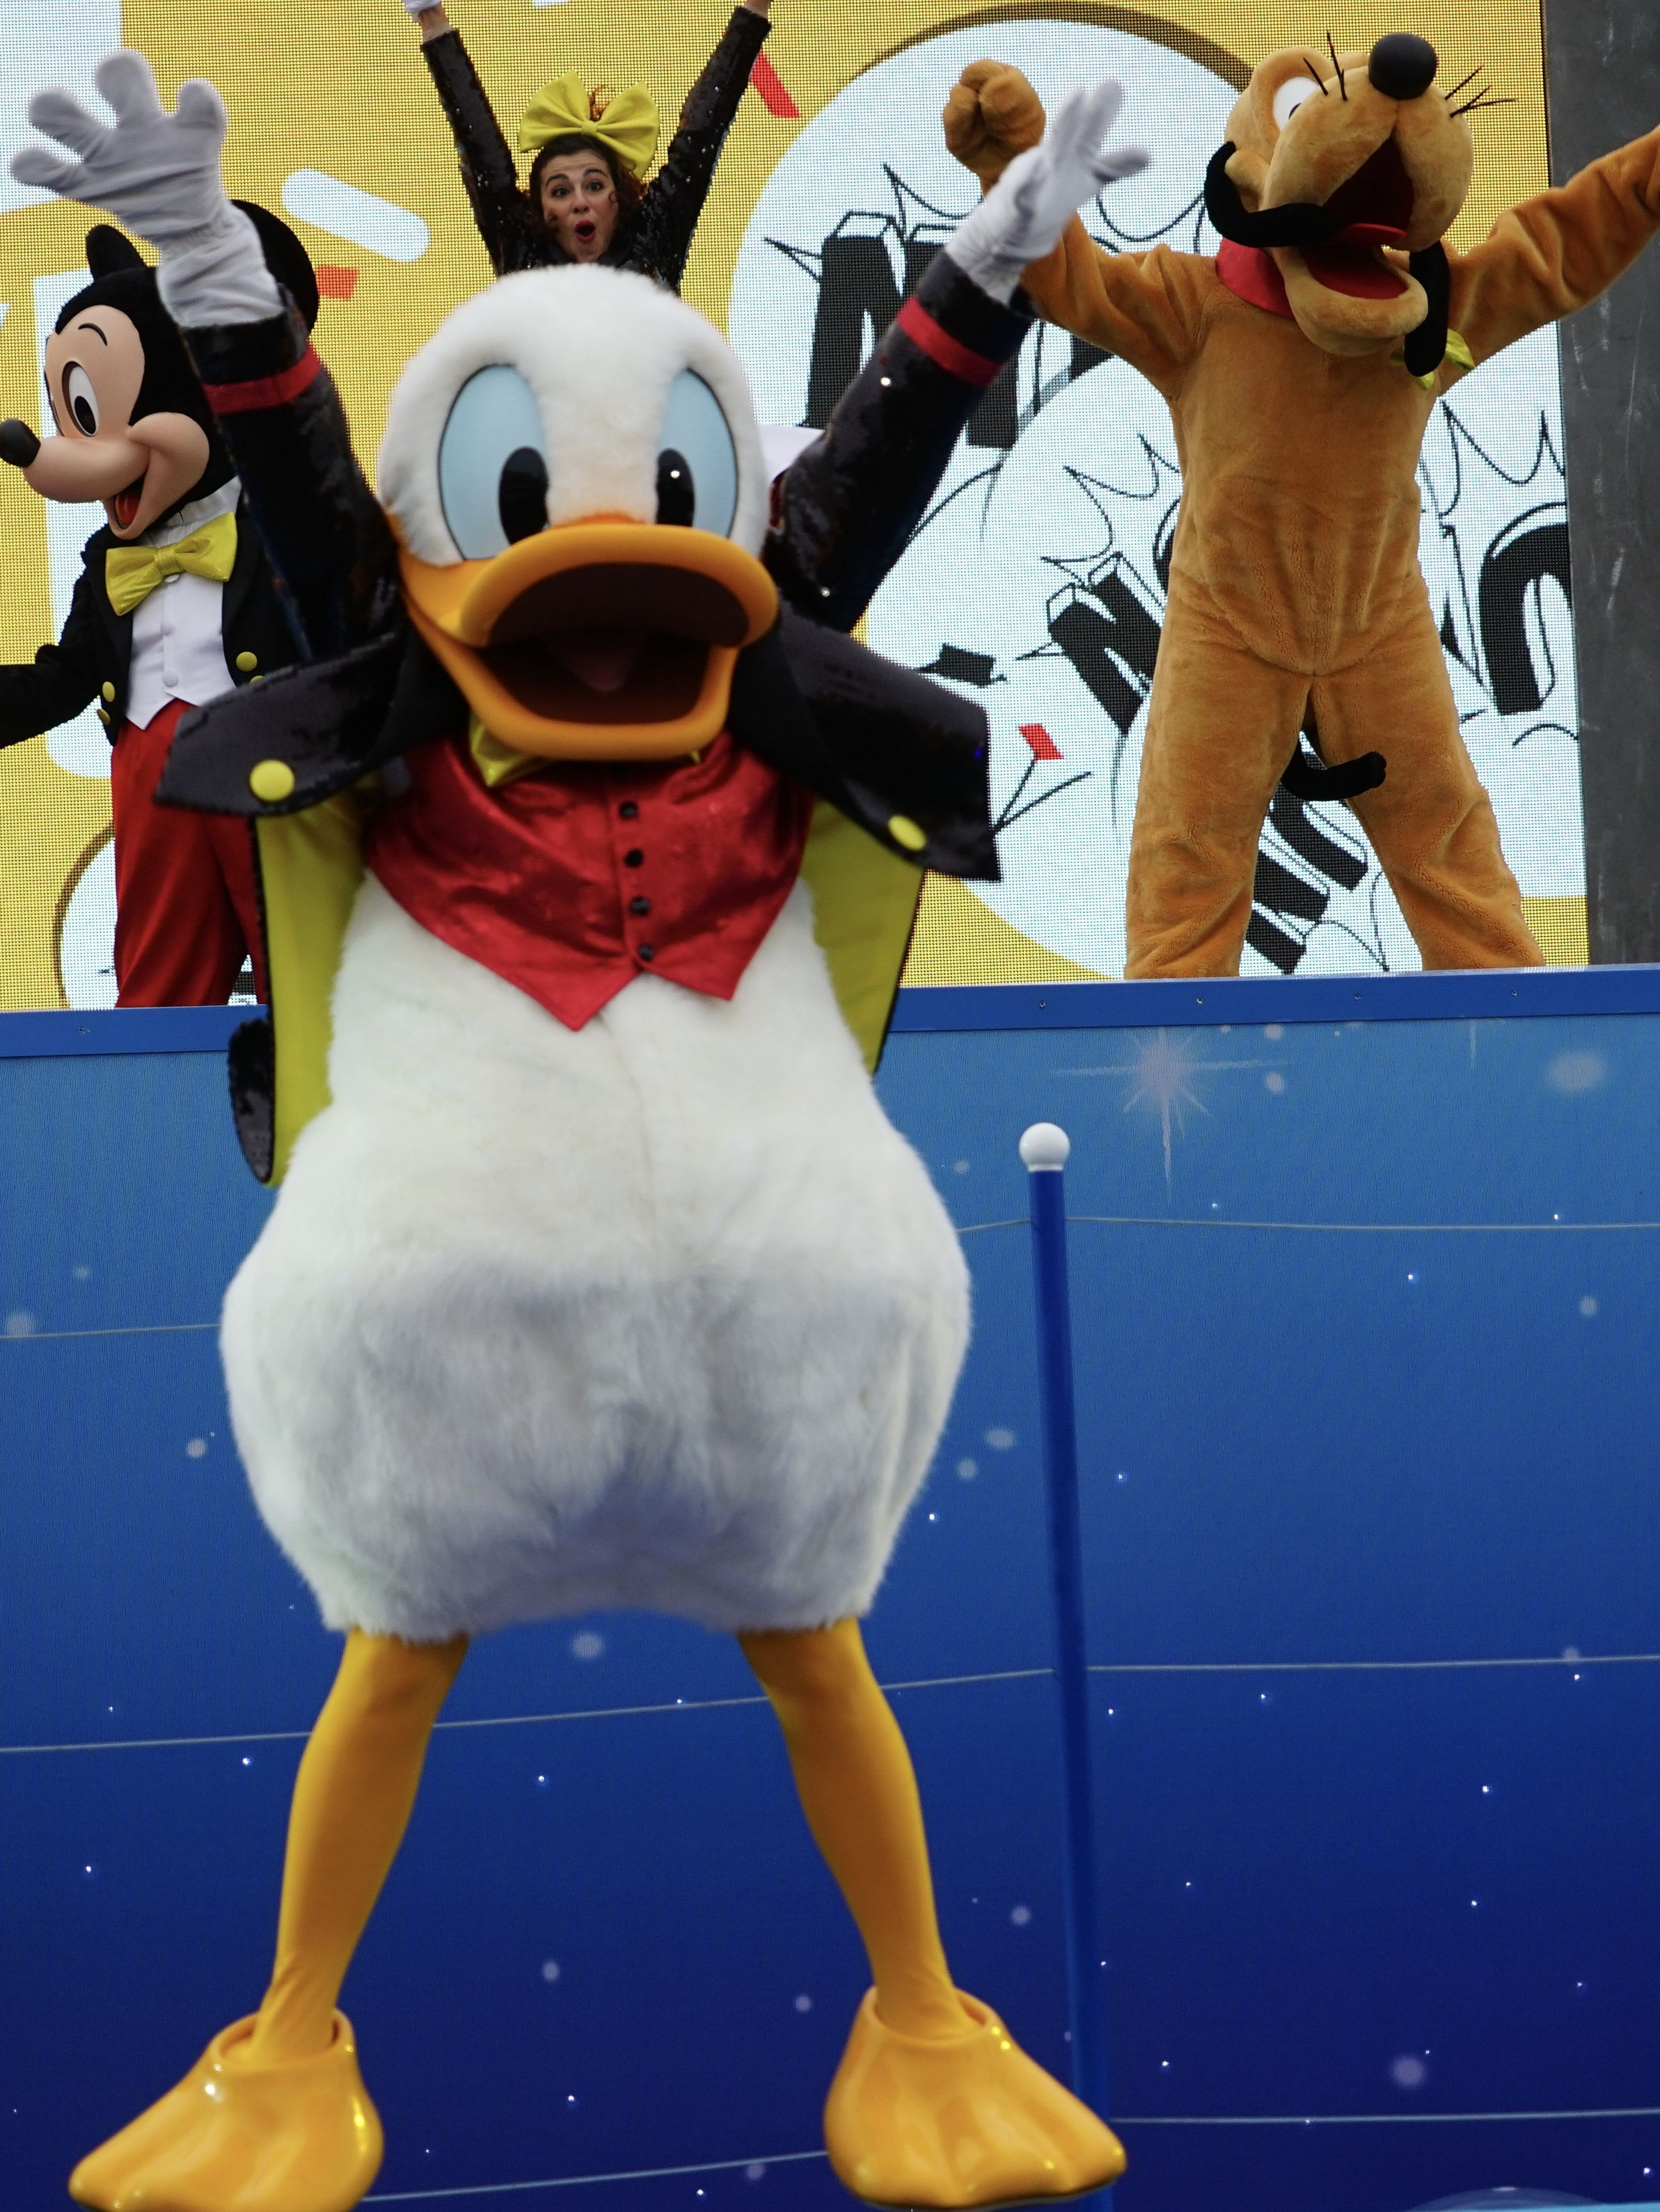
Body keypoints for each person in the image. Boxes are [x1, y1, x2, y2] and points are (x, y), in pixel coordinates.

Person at [404, 0, 773, 286]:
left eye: (594, 186)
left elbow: (703, 135)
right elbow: (481, 150)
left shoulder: (654, 241)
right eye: (560, 192)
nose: (580, 202)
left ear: (620, 199)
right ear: (540, 211)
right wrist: (430, 14)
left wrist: (756, 6)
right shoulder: (521, 253)